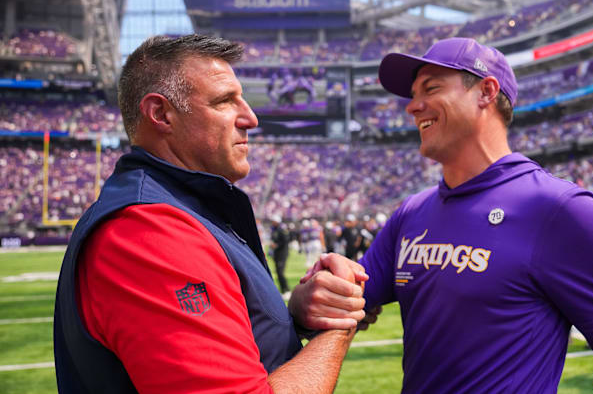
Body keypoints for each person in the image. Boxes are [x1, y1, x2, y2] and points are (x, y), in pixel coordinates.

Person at [306, 37, 593, 393]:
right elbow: (345, 300)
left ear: (486, 92)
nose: (413, 107)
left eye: (430, 88)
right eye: (413, 94)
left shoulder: (560, 210)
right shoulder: (411, 212)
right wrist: (310, 298)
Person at [53, 34, 367, 394]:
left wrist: (290, 317)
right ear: (160, 114)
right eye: (224, 101)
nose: (250, 117)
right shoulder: (148, 229)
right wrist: (340, 325)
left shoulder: (185, 206)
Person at [269, 214, 291, 299]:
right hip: (277, 254)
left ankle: (287, 290)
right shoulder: (274, 230)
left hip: (282, 253)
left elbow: (285, 241)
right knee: (278, 272)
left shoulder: (281, 230)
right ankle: (283, 290)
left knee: (281, 272)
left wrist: (276, 245)